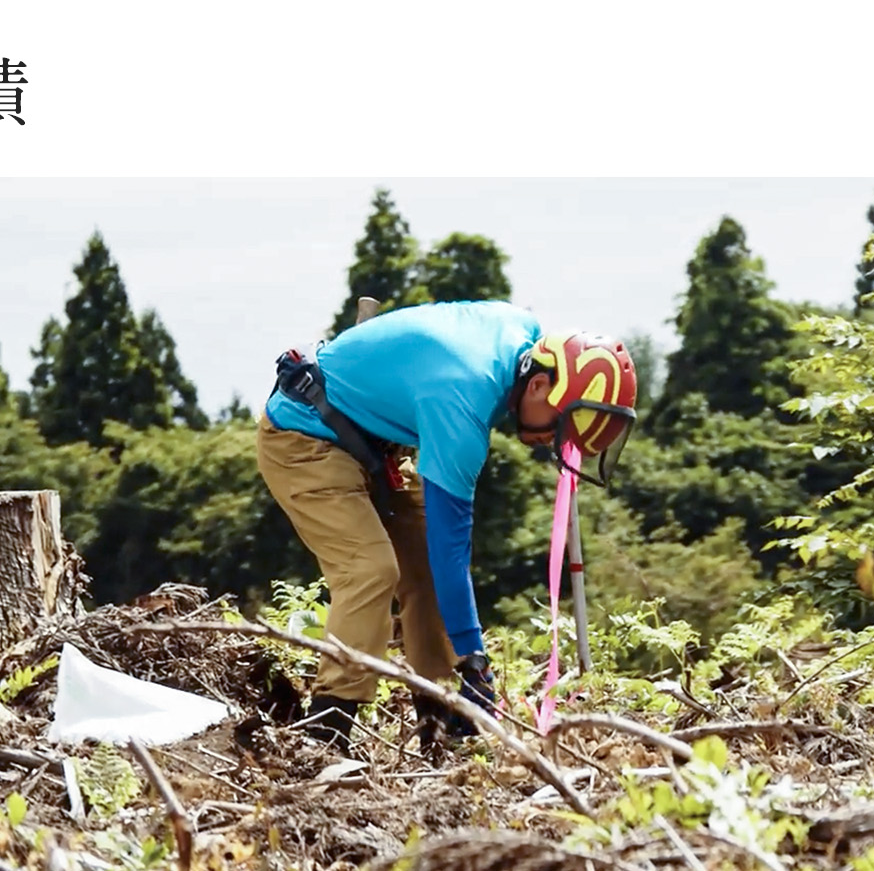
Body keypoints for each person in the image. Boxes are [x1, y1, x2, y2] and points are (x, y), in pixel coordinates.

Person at [257, 299, 638, 753]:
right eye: (561, 428)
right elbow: (450, 551)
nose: (554, 443)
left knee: (425, 575)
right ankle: (327, 729)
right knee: (370, 570)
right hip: (304, 435)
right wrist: (475, 658)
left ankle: (441, 720)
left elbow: (437, 564)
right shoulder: (462, 408)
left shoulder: (521, 331)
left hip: (373, 444)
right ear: (538, 385)